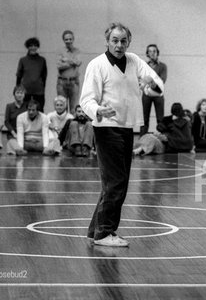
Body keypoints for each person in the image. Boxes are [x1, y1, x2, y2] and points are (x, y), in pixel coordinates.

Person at [80, 22, 164, 247]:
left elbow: (157, 85)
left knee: (116, 182)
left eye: (123, 41)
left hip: (127, 128)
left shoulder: (135, 61)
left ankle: (94, 230)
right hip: (106, 128)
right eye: (115, 40)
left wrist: (151, 84)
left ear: (129, 42)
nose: (119, 45)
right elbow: (86, 99)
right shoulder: (97, 65)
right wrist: (98, 110)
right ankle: (105, 233)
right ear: (107, 41)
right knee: (115, 182)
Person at [139, 44, 167, 137]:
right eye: (150, 51)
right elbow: (141, 79)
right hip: (146, 95)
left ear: (157, 53)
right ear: (147, 53)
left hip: (158, 95)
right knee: (144, 118)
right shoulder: (144, 66)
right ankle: (142, 139)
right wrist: (149, 83)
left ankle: (161, 138)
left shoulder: (162, 66)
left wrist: (150, 82)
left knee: (160, 118)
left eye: (154, 51)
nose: (152, 53)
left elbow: (162, 80)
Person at [16, 37, 47, 111]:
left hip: (39, 90)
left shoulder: (42, 60)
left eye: (35, 45)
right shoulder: (23, 60)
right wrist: (18, 89)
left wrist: (42, 88)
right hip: (26, 90)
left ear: (37, 47)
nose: (33, 47)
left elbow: (44, 76)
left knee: (39, 109)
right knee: (24, 110)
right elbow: (19, 75)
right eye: (31, 46)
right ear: (27, 47)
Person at [57, 30, 82, 114]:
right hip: (62, 82)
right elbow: (59, 66)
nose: (68, 41)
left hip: (74, 82)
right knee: (62, 107)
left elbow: (78, 62)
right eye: (66, 39)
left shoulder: (77, 51)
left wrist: (66, 60)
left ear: (73, 39)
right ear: (63, 40)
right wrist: (72, 62)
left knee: (73, 108)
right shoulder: (60, 51)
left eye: (70, 39)